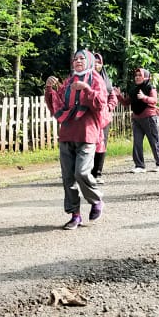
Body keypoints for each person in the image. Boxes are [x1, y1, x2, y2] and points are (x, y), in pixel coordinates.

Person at [45, 50, 108, 230]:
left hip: (87, 133)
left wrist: (86, 89)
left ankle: (96, 200)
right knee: (68, 177)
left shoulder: (96, 79)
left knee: (81, 172)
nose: (78, 61)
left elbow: (100, 104)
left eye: (82, 58)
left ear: (89, 61)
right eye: (75, 59)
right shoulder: (68, 82)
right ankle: (75, 215)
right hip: (67, 133)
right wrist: (49, 89)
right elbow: (56, 105)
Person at [127, 67, 159, 173]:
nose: (137, 77)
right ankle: (139, 165)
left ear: (146, 77)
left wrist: (144, 97)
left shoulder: (150, 87)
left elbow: (154, 100)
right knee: (137, 142)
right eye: (136, 75)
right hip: (136, 119)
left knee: (154, 141)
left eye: (140, 75)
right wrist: (118, 96)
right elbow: (126, 102)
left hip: (149, 118)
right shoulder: (133, 89)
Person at [89, 52, 116, 184]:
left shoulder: (106, 80)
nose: (96, 65)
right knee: (87, 144)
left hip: (103, 118)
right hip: (89, 117)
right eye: (94, 62)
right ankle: (85, 173)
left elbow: (112, 96)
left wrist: (109, 107)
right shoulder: (85, 79)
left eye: (99, 62)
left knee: (101, 144)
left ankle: (97, 173)